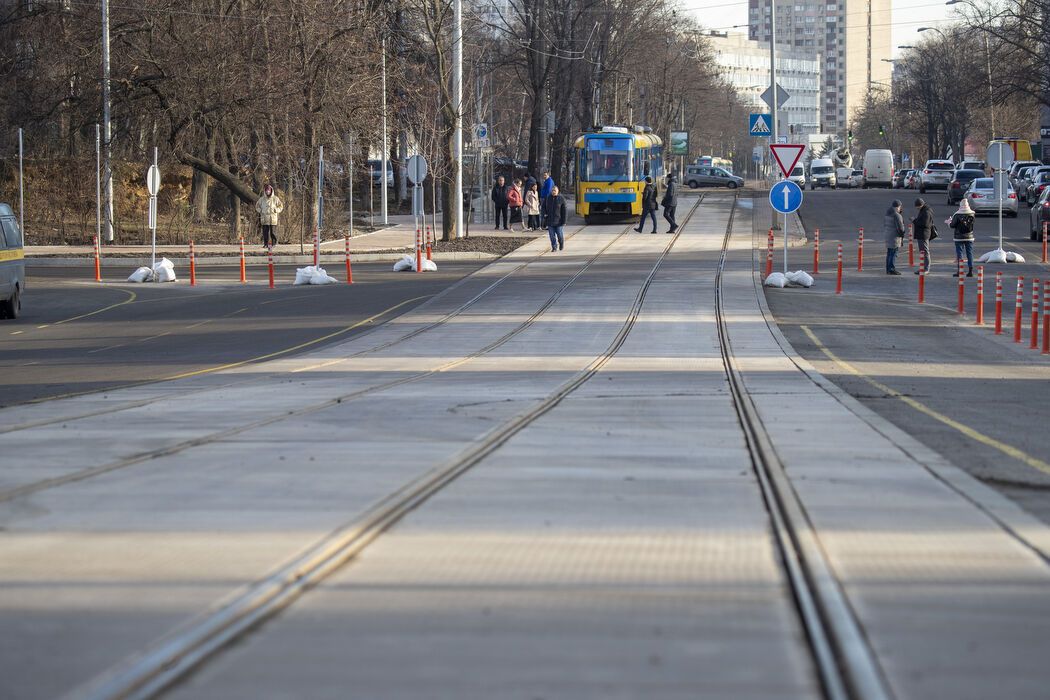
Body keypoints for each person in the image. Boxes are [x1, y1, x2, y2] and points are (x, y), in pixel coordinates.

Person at [948, 198, 976, 276]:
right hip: (969, 236)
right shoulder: (972, 214)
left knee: (959, 253)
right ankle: (970, 271)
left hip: (958, 237)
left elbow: (952, 225)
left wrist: (949, 222)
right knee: (969, 253)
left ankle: (960, 271)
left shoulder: (957, 214)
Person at [255, 184, 284, 250]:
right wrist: (261, 210)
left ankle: (274, 244)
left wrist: (276, 210)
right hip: (264, 218)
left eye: (269, 190)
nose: (268, 191)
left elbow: (281, 206)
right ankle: (266, 244)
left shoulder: (276, 199)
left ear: (271, 191)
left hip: (273, 218)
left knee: (273, 232)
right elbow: (257, 206)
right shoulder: (261, 199)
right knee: (265, 232)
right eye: (266, 190)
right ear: (265, 191)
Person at [911, 198, 934, 273]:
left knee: (925, 252)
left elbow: (925, 224)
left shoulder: (926, 212)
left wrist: (914, 220)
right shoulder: (924, 210)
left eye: (917, 207)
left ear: (920, 205)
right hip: (922, 234)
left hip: (924, 234)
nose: (917, 208)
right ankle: (923, 267)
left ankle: (926, 268)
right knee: (922, 252)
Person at [883, 199, 905, 275]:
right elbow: (900, 228)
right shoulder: (897, 215)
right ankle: (892, 269)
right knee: (893, 253)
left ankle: (888, 269)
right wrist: (902, 235)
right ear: (897, 207)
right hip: (894, 237)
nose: (900, 208)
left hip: (888, 235)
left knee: (889, 253)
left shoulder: (887, 213)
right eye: (899, 207)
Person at [543, 185, 567, 252]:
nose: (553, 192)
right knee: (552, 236)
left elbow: (564, 211)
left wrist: (564, 221)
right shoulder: (548, 198)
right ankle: (554, 247)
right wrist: (544, 213)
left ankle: (561, 243)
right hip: (550, 221)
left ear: (557, 191)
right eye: (552, 190)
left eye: (555, 191)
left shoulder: (561, 199)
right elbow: (543, 207)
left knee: (559, 235)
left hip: (559, 221)